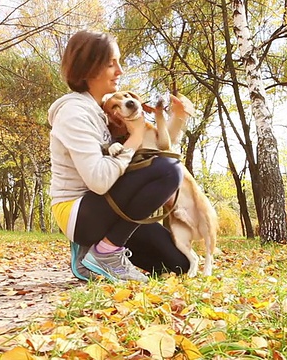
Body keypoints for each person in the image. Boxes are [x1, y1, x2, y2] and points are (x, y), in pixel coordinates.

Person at [48, 29, 190, 282]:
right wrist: (135, 137)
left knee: (178, 265)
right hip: (79, 212)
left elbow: (159, 145)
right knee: (169, 169)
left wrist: (175, 117)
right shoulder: (73, 113)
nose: (120, 71)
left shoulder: (103, 112)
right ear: (89, 67)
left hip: (109, 206)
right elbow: (99, 180)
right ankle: (103, 251)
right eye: (111, 63)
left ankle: (101, 249)